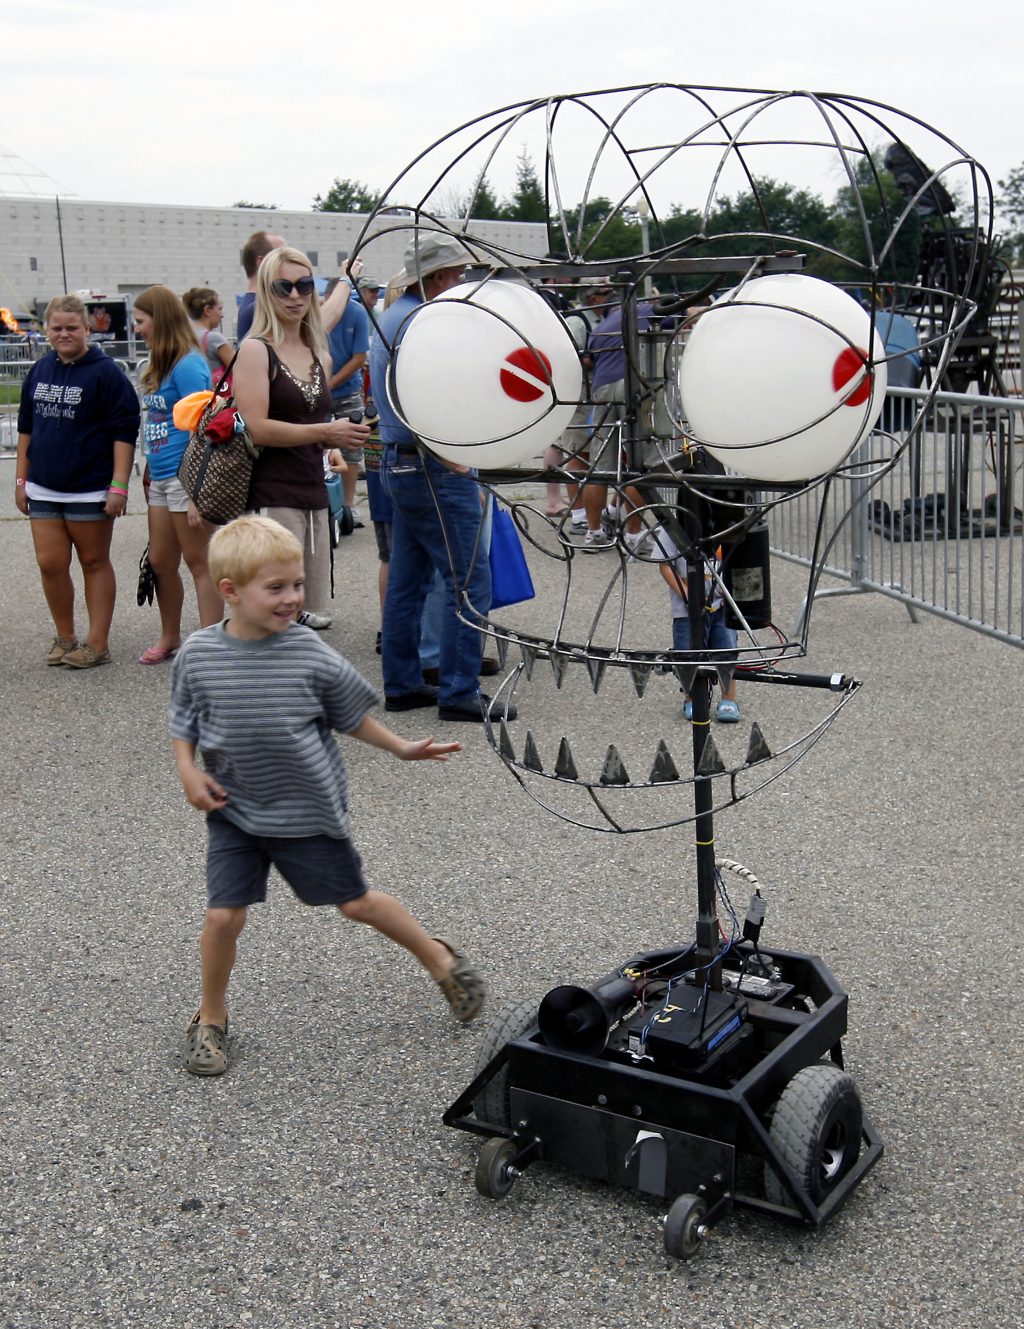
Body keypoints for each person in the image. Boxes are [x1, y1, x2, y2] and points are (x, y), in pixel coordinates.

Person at [170, 515, 485, 1076]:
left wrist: (400, 748)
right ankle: (211, 1018)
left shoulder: (311, 655)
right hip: (234, 812)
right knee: (222, 917)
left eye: (296, 585)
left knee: (355, 903)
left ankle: (438, 957)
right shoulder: (198, 653)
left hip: (306, 812)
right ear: (230, 591)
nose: (292, 598)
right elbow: (184, 721)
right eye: (277, 588)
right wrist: (188, 772)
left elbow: (351, 717)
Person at [369, 235, 516, 723]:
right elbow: (428, 395)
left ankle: (404, 683)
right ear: (435, 279)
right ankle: (459, 691)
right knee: (469, 579)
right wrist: (453, 456)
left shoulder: (392, 316)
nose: (462, 282)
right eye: (456, 275)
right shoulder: (422, 320)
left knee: (408, 581)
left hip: (399, 459)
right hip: (431, 462)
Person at [232, 246, 370, 631]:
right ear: (266, 292)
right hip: (271, 494)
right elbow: (257, 427)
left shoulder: (317, 353)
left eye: (304, 285)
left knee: (301, 608)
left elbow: (310, 418)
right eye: (283, 287)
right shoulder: (255, 350)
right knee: (268, 610)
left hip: (314, 490)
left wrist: (343, 435)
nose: (295, 296)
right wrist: (327, 431)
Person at [14, 293, 140, 668]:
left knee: (93, 561)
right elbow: (25, 429)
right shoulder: (39, 370)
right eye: (57, 328)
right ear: (47, 331)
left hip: (91, 488)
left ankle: (97, 643)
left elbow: (124, 432)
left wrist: (119, 486)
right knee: (50, 563)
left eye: (72, 328)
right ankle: (65, 637)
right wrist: (20, 480)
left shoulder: (106, 374)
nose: (64, 334)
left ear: (87, 329)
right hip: (43, 486)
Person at [133, 285, 222, 663]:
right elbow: (158, 419)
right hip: (161, 476)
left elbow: (202, 427)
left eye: (140, 321)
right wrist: (150, 465)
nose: (136, 329)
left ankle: (209, 645)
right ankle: (171, 635)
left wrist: (198, 491)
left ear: (160, 319)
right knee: (160, 561)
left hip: (187, 476)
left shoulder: (189, 364)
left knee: (199, 561)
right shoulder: (158, 361)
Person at [653, 528, 740, 723]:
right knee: (687, 653)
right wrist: (687, 594)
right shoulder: (672, 527)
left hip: (721, 604)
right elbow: (665, 566)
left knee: (727, 649)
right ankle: (691, 698)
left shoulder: (725, 524)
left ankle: (729, 698)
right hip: (687, 610)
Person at [325, 276, 370, 520]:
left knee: (352, 446)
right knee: (318, 447)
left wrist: (331, 383)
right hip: (318, 390)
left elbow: (359, 357)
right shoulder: (318, 313)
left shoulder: (358, 313)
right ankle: (324, 499)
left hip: (347, 389)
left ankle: (348, 504)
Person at [236, 230, 286, 341]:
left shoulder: (251, 305)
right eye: (282, 257)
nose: (289, 262)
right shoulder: (260, 307)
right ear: (262, 262)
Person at [183, 287, 233, 384]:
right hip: (218, 396)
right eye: (220, 309)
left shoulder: (184, 336)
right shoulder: (214, 339)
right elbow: (238, 370)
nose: (222, 315)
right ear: (207, 310)